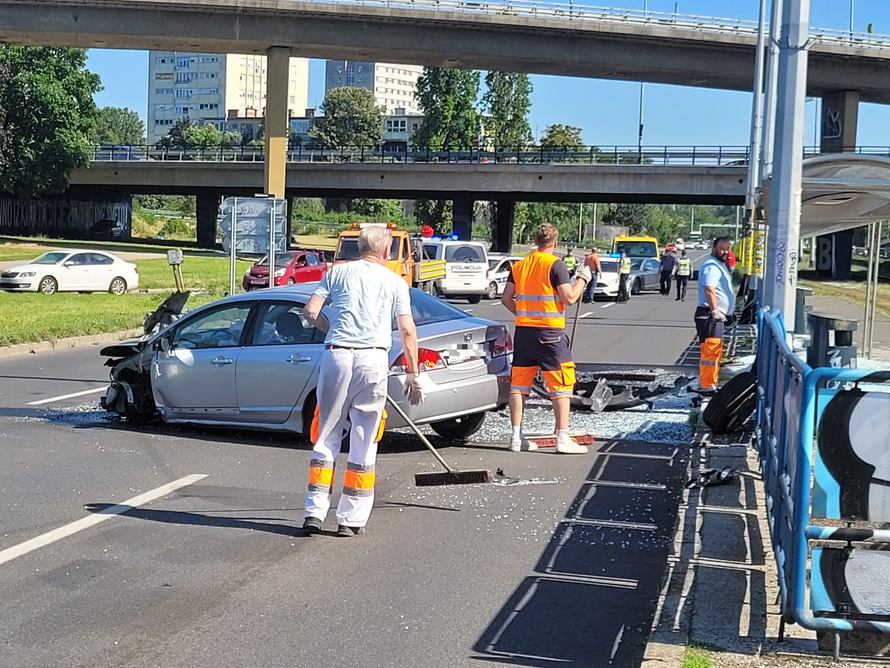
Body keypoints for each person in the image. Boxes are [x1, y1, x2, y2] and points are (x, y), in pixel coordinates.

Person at [302, 226, 422, 537]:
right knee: (364, 436)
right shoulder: (395, 282)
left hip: (337, 354)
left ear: (359, 247)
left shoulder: (337, 273)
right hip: (372, 359)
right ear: (386, 251)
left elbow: (311, 311)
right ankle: (350, 519)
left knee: (326, 432)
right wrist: (412, 371)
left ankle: (314, 512)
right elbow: (408, 331)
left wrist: (331, 330)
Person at [501, 223, 595, 454]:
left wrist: (524, 314)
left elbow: (506, 298)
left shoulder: (520, 266)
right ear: (555, 243)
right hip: (550, 335)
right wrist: (584, 276)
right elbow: (570, 297)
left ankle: (516, 437)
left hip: (524, 333)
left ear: (536, 242)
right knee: (561, 384)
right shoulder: (556, 265)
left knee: (519, 385)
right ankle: (562, 437)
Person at [695, 238, 736, 394]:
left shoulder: (719, 265)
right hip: (710, 315)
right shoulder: (711, 267)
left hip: (716, 315)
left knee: (714, 350)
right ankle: (707, 385)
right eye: (721, 248)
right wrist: (715, 310)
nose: (725, 252)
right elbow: (709, 289)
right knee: (710, 351)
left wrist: (727, 312)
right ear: (714, 248)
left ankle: (710, 382)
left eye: (727, 248)